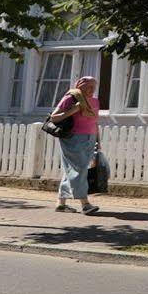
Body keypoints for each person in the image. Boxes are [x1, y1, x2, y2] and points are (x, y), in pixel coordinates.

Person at [48, 75, 101, 215]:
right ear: (80, 86)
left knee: (72, 170)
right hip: (73, 138)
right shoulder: (71, 98)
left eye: (93, 87)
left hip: (90, 137)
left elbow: (95, 121)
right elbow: (54, 117)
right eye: (88, 86)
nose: (92, 90)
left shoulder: (95, 101)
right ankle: (85, 204)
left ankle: (61, 204)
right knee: (80, 169)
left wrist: (98, 140)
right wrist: (73, 110)